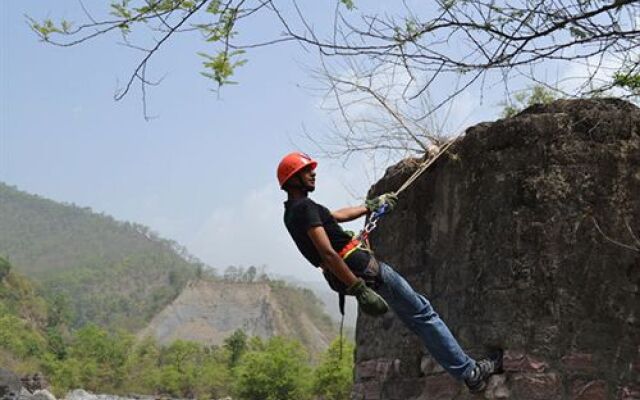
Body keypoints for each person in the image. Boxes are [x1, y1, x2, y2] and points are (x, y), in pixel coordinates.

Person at [278, 152, 503, 393]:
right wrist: (358, 288)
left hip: (349, 272)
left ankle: (466, 370)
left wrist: (370, 207)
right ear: (293, 179)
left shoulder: (293, 212)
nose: (313, 173)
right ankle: (471, 373)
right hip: (363, 268)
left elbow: (335, 216)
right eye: (306, 171)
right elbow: (327, 253)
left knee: (418, 317)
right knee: (424, 315)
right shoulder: (305, 208)